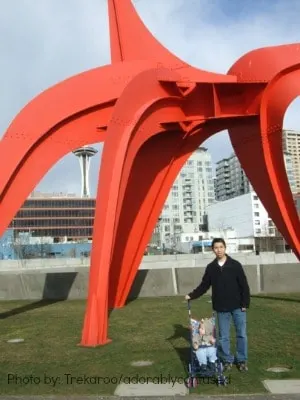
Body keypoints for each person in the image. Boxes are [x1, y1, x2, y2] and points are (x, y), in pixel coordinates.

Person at [185, 238, 250, 372]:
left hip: (238, 306)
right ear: (212, 250)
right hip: (221, 308)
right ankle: (227, 360)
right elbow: (204, 286)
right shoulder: (211, 268)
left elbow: (244, 285)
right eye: (216, 247)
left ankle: (242, 360)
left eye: (221, 247)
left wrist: (244, 303)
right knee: (223, 337)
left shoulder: (235, 265)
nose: (218, 250)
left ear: (225, 248)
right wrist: (191, 295)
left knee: (241, 334)